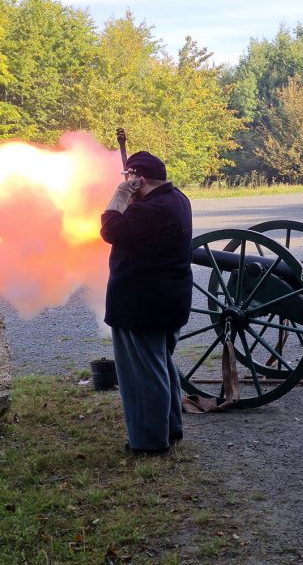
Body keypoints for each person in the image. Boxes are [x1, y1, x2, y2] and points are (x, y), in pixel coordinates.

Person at [100, 151, 193, 456]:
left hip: (140, 304)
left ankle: (149, 442)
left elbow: (110, 230)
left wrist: (120, 195)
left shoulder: (149, 210)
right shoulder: (178, 199)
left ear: (138, 179)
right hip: (167, 300)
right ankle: (171, 428)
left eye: (128, 179)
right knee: (161, 366)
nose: (125, 184)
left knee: (143, 376)